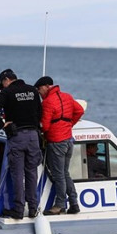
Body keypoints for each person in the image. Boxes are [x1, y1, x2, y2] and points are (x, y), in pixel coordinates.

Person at [0, 68, 42, 220]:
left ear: (6, 80)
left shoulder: (8, 92)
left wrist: (2, 124)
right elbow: (40, 112)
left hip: (17, 136)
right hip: (33, 136)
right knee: (32, 173)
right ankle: (32, 208)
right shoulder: (32, 90)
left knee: (17, 174)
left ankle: (18, 210)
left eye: (2, 84)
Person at [34, 76, 84, 215]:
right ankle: (74, 203)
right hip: (68, 140)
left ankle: (59, 205)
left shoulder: (48, 102)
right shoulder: (67, 96)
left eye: (39, 90)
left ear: (45, 87)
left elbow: (45, 125)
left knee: (58, 175)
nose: (39, 93)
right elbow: (79, 110)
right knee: (65, 173)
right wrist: (69, 124)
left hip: (56, 142)